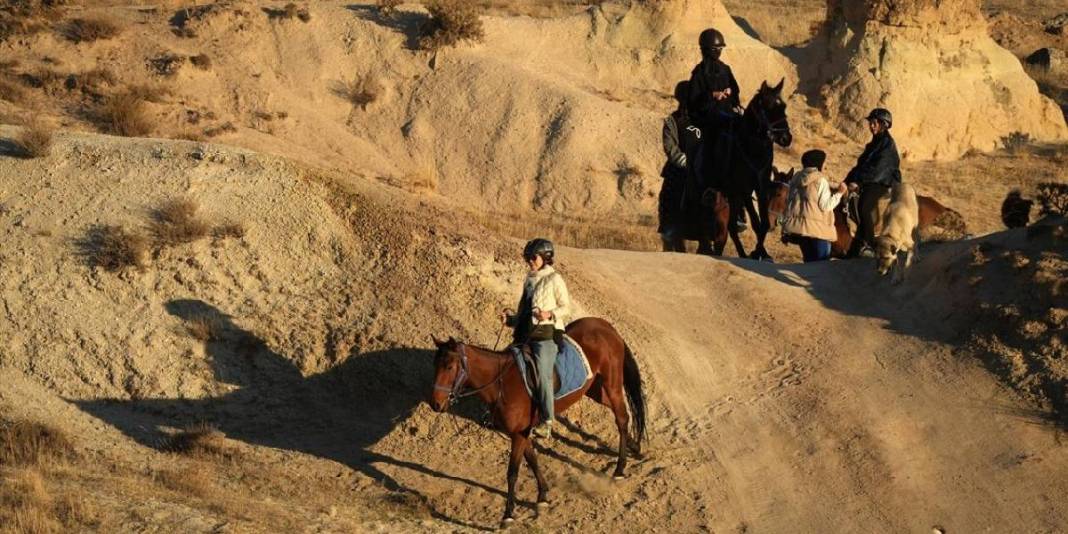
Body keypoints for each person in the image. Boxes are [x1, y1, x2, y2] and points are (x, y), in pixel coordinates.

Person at [501, 238, 572, 440]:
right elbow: (524, 313)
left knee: (542, 374)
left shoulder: (555, 279)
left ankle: (547, 422)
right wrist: (510, 319)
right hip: (524, 336)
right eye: (527, 257)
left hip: (545, 337)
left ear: (545, 258)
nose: (530, 261)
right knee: (504, 367)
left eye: (533, 257)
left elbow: (566, 307)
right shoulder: (529, 280)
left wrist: (549, 314)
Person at [687, 28, 746, 231]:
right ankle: (706, 190)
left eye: (721, 48)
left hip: (728, 117)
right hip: (708, 121)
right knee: (706, 152)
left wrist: (732, 96)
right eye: (716, 49)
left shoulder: (726, 69)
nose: (719, 52)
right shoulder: (698, 73)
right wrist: (712, 96)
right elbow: (693, 102)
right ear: (707, 49)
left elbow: (736, 91)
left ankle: (742, 202)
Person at [844, 108, 902, 258]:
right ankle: (855, 246)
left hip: (882, 182)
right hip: (870, 180)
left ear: (884, 124)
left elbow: (878, 170)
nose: (871, 125)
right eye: (870, 123)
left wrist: (859, 183)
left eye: (874, 123)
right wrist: (847, 181)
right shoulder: (873, 144)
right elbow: (860, 166)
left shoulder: (887, 145)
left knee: (865, 207)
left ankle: (869, 245)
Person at [659, 80, 703, 252]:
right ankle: (669, 234)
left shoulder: (705, 120)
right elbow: (670, 148)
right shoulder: (672, 121)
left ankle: (736, 219)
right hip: (679, 170)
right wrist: (687, 163)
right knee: (669, 199)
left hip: (702, 170)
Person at [781, 150, 846, 262]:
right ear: (819, 163)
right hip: (818, 232)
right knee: (821, 266)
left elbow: (790, 202)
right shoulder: (820, 180)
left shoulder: (796, 179)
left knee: (809, 265)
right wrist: (840, 193)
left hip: (800, 230)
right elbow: (825, 206)